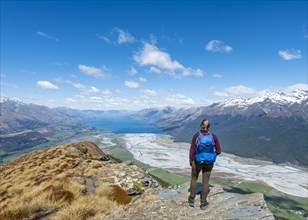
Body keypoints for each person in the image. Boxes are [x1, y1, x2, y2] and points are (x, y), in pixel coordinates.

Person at [188, 119, 221, 210]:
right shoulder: (213, 137)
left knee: (194, 179)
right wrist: (211, 155)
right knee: (205, 182)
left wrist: (191, 161)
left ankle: (191, 199)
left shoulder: (197, 136)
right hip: (209, 163)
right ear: (209, 126)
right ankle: (203, 203)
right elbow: (219, 151)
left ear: (201, 125)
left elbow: (192, 149)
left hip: (197, 161)